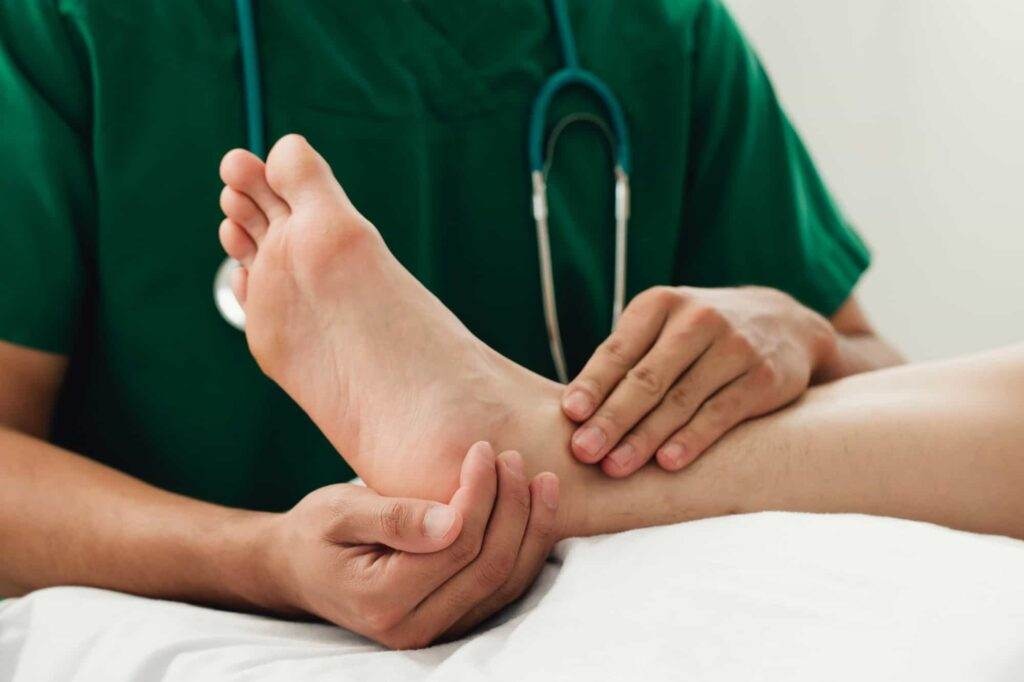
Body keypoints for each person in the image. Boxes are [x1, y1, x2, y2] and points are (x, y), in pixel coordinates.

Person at [2, 0, 910, 648]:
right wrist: (264, 561)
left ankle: (523, 451)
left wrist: (797, 331)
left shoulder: (660, 26)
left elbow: (890, 385)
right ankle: (521, 453)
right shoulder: (71, 25)